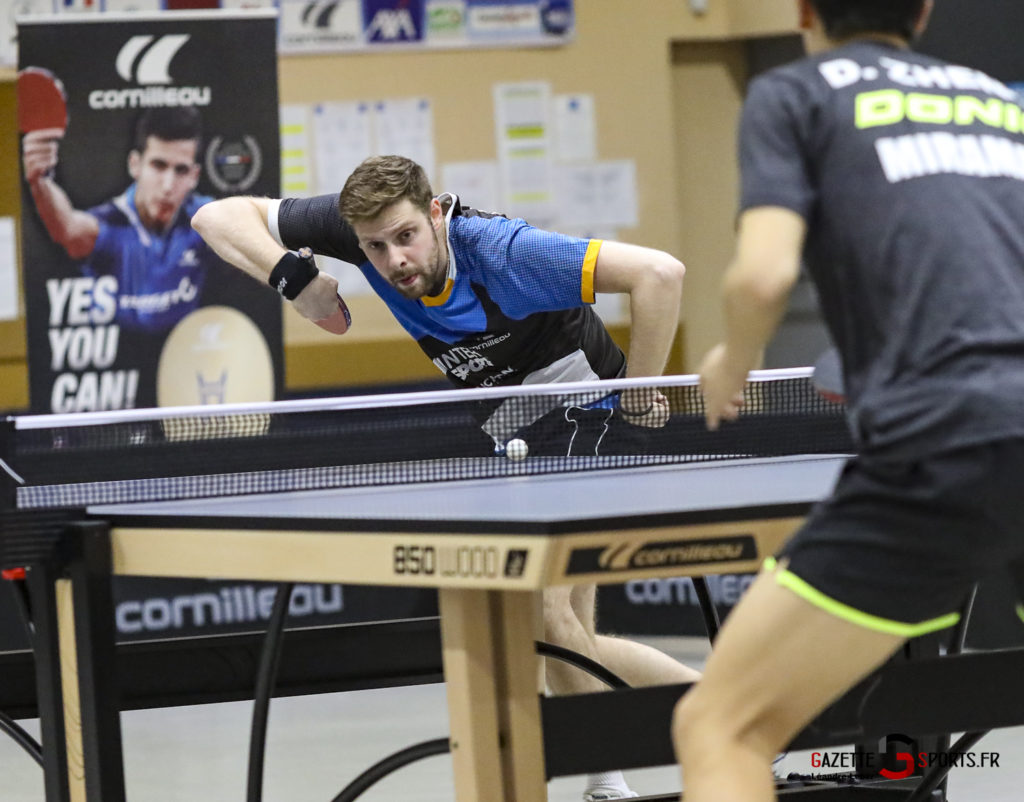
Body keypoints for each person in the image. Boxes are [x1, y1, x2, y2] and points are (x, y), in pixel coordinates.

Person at [192, 154, 700, 801]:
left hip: (584, 411)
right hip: (513, 435)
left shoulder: (504, 252)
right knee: (565, 632)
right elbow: (216, 215)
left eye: (406, 236)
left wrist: (639, 393)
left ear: (434, 215)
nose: (394, 259)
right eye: (376, 248)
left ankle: (607, 781)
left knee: (547, 616)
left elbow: (661, 275)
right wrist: (296, 281)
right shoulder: (358, 232)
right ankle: (730, 708)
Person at [675, 1, 1024, 800]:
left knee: (720, 725)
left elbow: (763, 273)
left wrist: (733, 358)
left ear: (802, 11)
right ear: (926, 10)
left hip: (948, 436)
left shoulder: (794, 94)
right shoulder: (995, 100)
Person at [21, 106, 217, 332]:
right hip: (120, 359)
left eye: (181, 170)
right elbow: (67, 228)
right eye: (158, 166)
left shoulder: (205, 217)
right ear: (135, 165)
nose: (168, 186)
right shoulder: (110, 223)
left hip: (184, 357)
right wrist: (40, 181)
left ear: (194, 176)